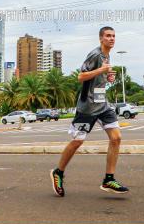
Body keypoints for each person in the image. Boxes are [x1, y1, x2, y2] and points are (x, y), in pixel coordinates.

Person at [51, 26, 129, 196]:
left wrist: (107, 77)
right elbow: (81, 76)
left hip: (102, 103)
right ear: (101, 38)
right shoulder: (95, 54)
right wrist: (101, 70)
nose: (112, 39)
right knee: (78, 141)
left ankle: (109, 179)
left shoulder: (107, 55)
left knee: (116, 138)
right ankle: (58, 172)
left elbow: (97, 78)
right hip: (87, 107)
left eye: (114, 36)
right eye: (108, 36)